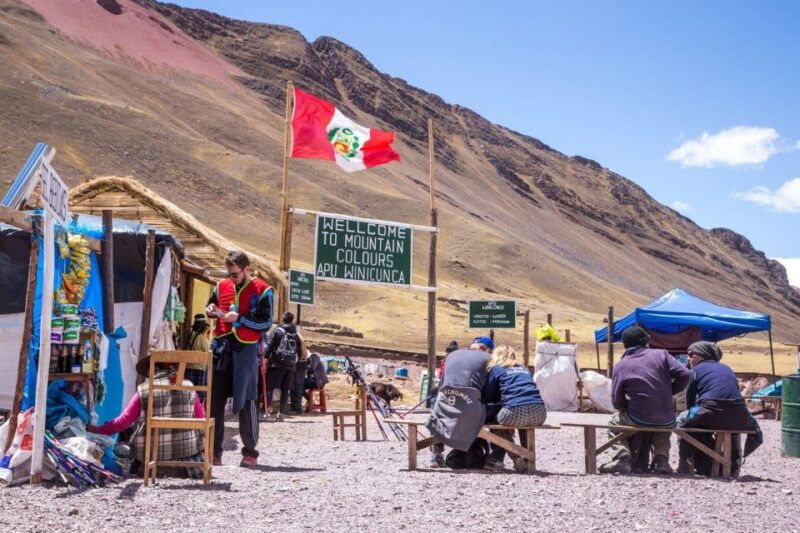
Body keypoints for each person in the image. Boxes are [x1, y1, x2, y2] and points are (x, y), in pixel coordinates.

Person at [206, 250, 273, 468]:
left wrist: (241, 319)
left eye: (235, 274)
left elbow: (266, 323)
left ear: (246, 270)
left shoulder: (263, 290)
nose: (231, 278)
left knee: (247, 399)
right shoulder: (220, 286)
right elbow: (211, 306)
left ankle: (250, 452)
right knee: (215, 401)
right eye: (229, 274)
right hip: (221, 347)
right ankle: (214, 452)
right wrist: (211, 310)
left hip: (246, 349)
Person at [88, 354, 206, 477]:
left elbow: (122, 422)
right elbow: (200, 420)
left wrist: (97, 430)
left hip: (152, 459)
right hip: (188, 460)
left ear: (153, 369)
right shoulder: (189, 386)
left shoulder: (144, 389)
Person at [598, 326, 691, 475]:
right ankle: (662, 460)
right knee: (663, 429)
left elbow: (616, 400)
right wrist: (670, 392)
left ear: (626, 345)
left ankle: (623, 457)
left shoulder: (621, 365)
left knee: (614, 423)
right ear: (646, 342)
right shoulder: (662, 355)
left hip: (638, 417)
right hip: (667, 418)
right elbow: (685, 374)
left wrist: (625, 407)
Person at [676, 341, 762, 476]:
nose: (688, 358)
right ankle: (733, 466)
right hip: (740, 416)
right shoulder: (727, 369)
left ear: (704, 355)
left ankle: (685, 465)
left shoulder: (694, 371)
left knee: (680, 421)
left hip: (711, 411)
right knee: (732, 429)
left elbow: (690, 401)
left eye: (692, 354)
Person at [427, 336, 494, 468]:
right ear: (485, 349)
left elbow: (441, 385)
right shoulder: (488, 359)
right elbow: (489, 388)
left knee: (438, 408)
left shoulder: (452, 356)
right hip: (471, 410)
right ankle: (494, 457)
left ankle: (436, 454)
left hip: (445, 408)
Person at [482, 345, 547, 471]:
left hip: (515, 411)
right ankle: (529, 461)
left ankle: (517, 458)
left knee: (494, 421)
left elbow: (488, 395)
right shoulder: (524, 369)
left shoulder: (496, 369)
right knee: (524, 425)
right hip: (539, 412)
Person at [264, 311, 303, 421]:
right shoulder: (295, 333)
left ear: (282, 319)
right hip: (290, 367)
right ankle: (281, 413)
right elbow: (300, 351)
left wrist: (265, 360)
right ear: (292, 320)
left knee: (270, 387)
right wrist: (293, 363)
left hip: (276, 364)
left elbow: (269, 346)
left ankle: (268, 410)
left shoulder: (277, 330)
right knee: (285, 390)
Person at [186, 314, 211, 401]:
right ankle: (198, 412)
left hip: (188, 368)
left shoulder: (190, 336)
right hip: (199, 369)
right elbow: (208, 354)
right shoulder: (202, 339)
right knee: (199, 395)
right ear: (203, 328)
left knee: (189, 392)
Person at [290, 338, 309, 415]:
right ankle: (296, 408)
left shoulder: (294, 336)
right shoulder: (298, 336)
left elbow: (298, 352)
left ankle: (297, 409)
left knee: (297, 386)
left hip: (299, 364)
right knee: (296, 386)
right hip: (301, 363)